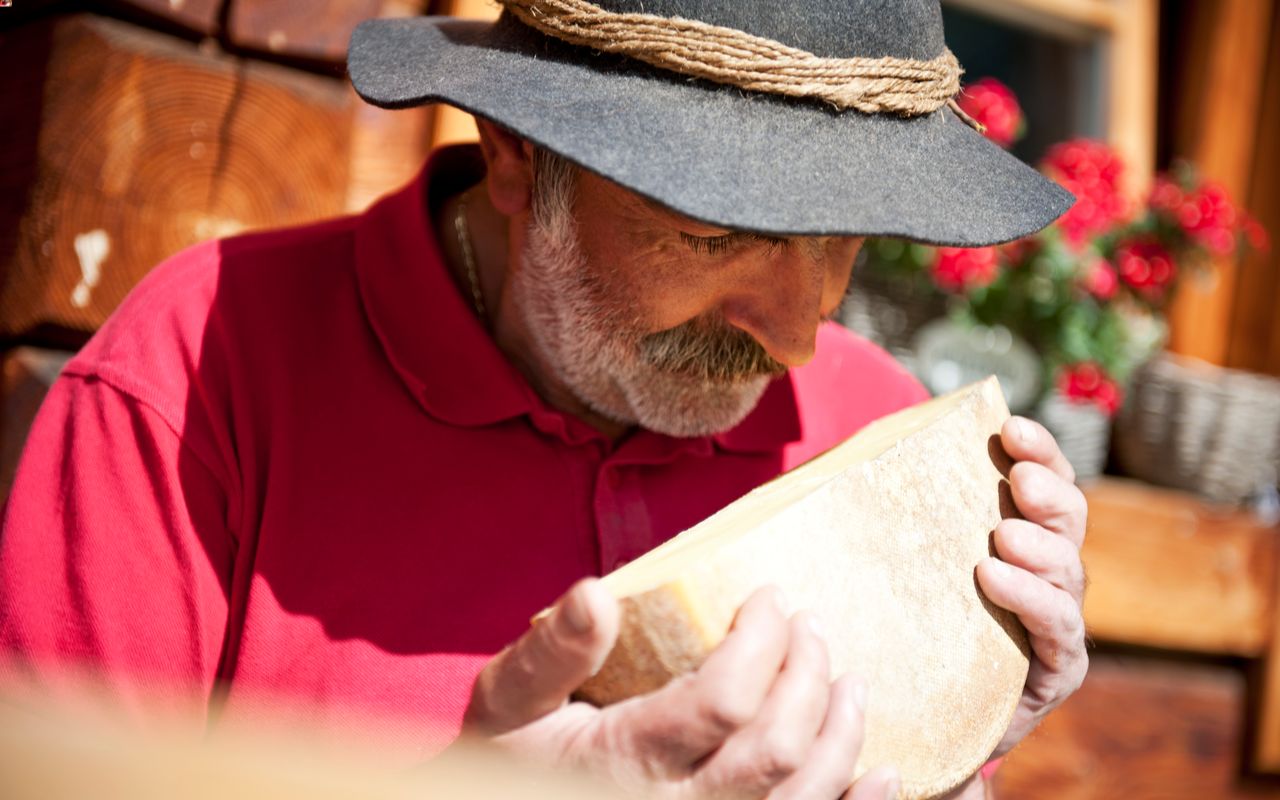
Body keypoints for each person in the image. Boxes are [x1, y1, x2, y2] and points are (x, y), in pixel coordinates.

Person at [0, 1, 1089, 797]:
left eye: (846, 239)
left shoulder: (870, 418)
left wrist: (964, 734)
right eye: (717, 234)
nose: (799, 336)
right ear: (514, 153)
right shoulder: (195, 376)